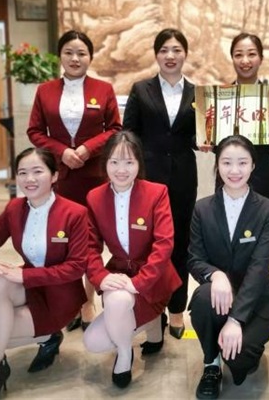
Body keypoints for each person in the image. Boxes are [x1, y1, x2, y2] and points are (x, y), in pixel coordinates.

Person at [0, 148, 89, 400]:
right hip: (30, 287)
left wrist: (25, 277)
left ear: (54, 176)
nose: (30, 179)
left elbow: (77, 267)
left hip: (60, 295)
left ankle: (49, 336)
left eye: (38, 171)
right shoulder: (15, 208)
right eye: (23, 173)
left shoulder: (75, 213)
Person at [27, 29, 122, 330]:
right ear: (60, 56)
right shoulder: (45, 91)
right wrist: (62, 151)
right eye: (69, 52)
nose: (75, 58)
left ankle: (88, 301)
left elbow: (115, 129)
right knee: (62, 240)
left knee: (91, 240)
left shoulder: (103, 89)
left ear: (90, 57)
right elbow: (35, 131)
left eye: (81, 53)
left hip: (94, 177)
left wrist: (86, 148)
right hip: (61, 179)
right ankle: (70, 302)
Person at [83, 131, 181, 388]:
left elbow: (164, 244)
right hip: (118, 272)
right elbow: (89, 247)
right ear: (105, 163)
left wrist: (139, 283)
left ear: (139, 163)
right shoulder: (94, 197)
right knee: (93, 342)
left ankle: (124, 355)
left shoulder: (157, 192)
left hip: (154, 277)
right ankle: (148, 331)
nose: (121, 170)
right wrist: (101, 277)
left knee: (117, 301)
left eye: (129, 162)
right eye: (114, 162)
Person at [188, 135, 269, 399]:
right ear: (217, 165)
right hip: (218, 296)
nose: (234, 170)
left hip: (257, 296)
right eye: (227, 162)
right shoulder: (202, 209)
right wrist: (215, 275)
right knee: (203, 297)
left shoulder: (267, 210)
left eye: (242, 162)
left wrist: (235, 319)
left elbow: (260, 267)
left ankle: (243, 347)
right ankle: (211, 364)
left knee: (239, 361)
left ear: (253, 165)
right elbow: (194, 259)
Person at [123, 28, 197, 338]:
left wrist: (202, 142)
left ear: (185, 54)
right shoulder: (141, 90)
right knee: (148, 244)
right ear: (156, 54)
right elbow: (128, 135)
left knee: (179, 243)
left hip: (183, 177)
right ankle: (151, 310)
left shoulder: (197, 93)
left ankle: (177, 310)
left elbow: (197, 136)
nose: (170, 56)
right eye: (164, 49)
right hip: (148, 178)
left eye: (177, 50)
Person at [225, 32, 269, 204]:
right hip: (229, 178)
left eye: (251, 54)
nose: (245, 61)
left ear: (261, 58)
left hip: (265, 177)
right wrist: (206, 143)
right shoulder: (220, 97)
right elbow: (207, 140)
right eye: (238, 55)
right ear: (232, 58)